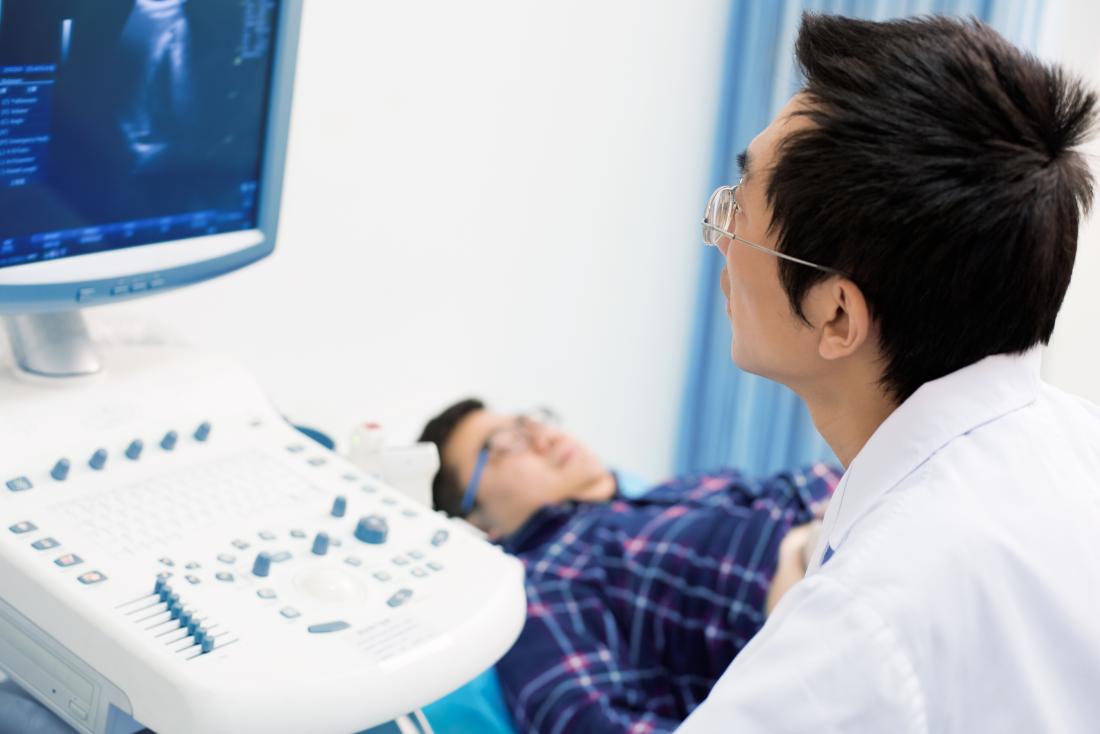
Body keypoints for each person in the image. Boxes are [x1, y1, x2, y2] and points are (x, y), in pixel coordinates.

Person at [676, 13, 1100, 733]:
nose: (721, 238)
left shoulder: (862, 627)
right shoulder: (1073, 439)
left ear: (838, 316)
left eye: (739, 207)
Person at [419, 399, 842, 733]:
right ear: (478, 523)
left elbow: (814, 480)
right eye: (505, 444)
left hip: (858, 532)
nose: (542, 436)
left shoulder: (681, 488)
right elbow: (592, 722)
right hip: (826, 639)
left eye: (530, 422)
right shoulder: (544, 587)